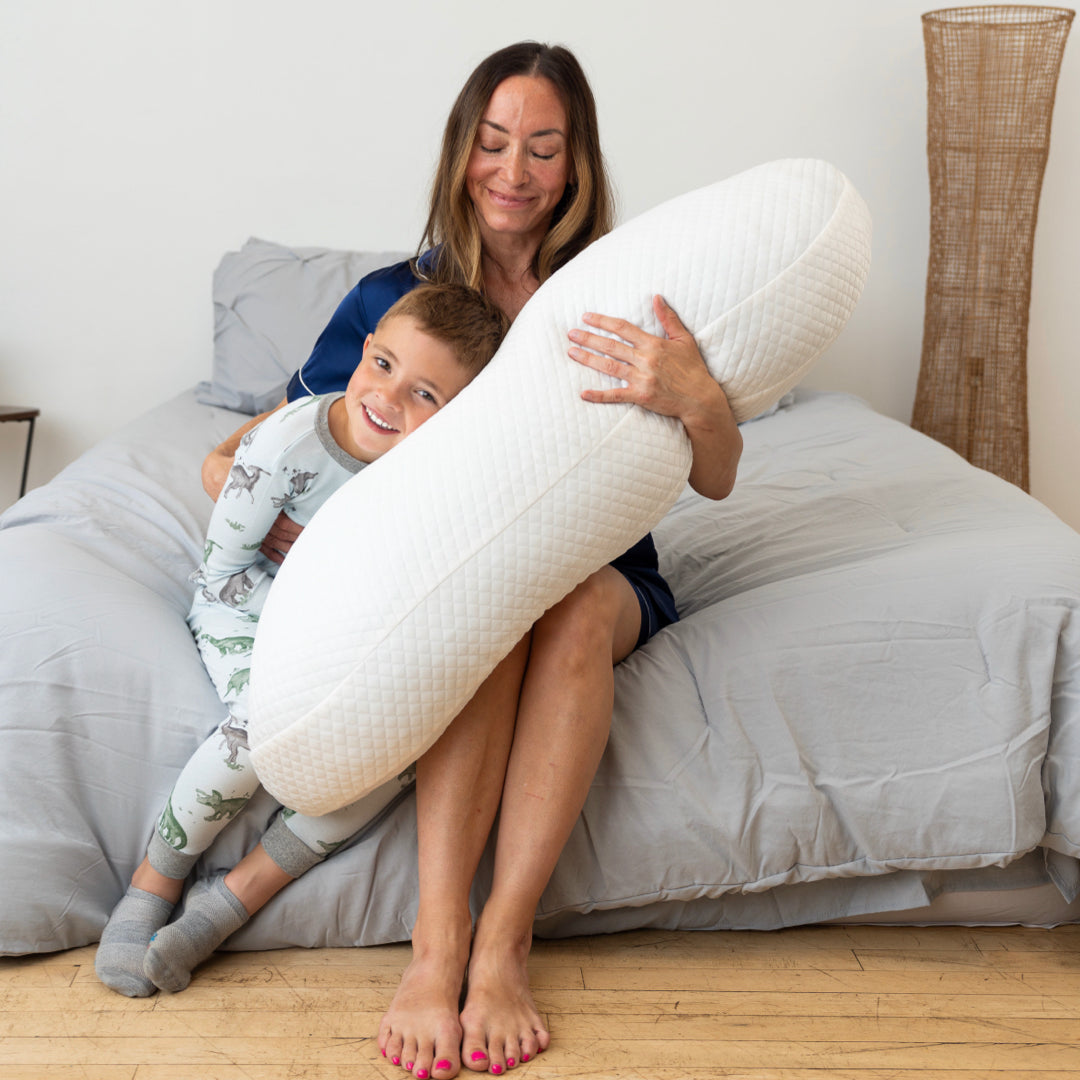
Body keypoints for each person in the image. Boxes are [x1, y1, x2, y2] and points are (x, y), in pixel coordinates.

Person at [202, 42, 743, 1079]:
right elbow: (265, 447)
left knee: (567, 599)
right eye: (494, 143)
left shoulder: (622, 293)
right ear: (460, 152)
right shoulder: (394, 303)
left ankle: (502, 942)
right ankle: (436, 938)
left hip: (604, 573)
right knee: (489, 596)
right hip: (458, 576)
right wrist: (259, 511)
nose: (515, 172)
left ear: (577, 165)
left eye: (544, 148)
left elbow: (714, 477)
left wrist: (698, 397)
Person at [95, 284, 509, 999]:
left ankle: (236, 897)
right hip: (248, 605)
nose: (388, 400)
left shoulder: (430, 477)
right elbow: (226, 565)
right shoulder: (288, 440)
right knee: (264, 726)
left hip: (345, 632)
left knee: (389, 755)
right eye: (381, 365)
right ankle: (154, 880)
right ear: (366, 344)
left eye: (426, 396)